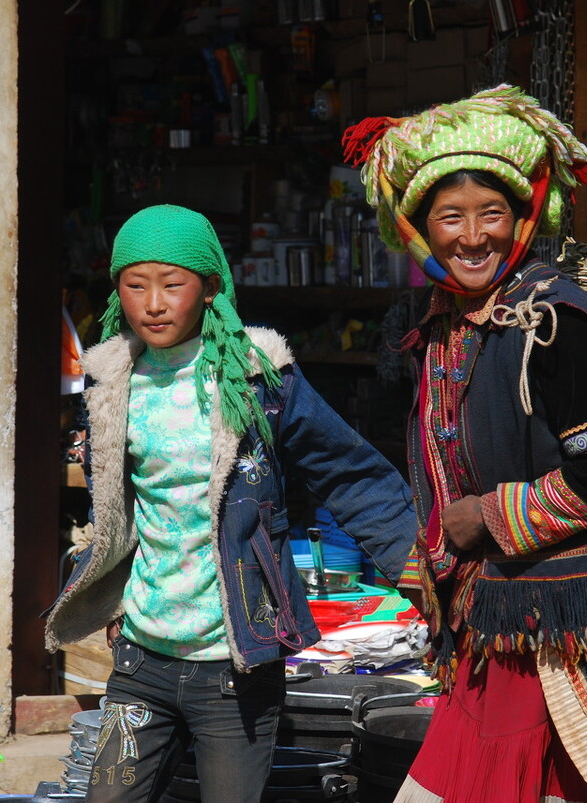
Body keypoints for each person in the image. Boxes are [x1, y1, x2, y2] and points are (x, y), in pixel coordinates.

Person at [343, 84, 587, 802]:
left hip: (576, 627)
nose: (474, 237)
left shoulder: (557, 321)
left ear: (525, 217)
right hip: (498, 624)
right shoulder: (437, 322)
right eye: (451, 217)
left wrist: (483, 516)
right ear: (417, 229)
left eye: (493, 214)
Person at [43, 204, 421, 802]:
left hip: (235, 664)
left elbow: (349, 473)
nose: (154, 304)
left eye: (173, 284)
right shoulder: (111, 382)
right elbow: (116, 510)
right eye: (135, 285)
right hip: (142, 660)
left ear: (211, 286)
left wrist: (422, 563)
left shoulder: (260, 378)